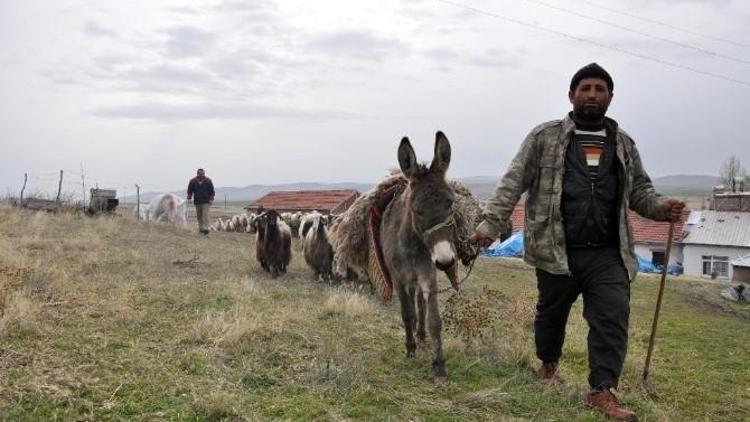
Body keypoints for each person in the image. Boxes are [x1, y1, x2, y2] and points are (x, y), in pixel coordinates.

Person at [473, 63, 684, 421]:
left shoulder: (623, 144)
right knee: (550, 315)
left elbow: (641, 193)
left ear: (610, 98)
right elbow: (512, 183)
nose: (592, 94)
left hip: (607, 252)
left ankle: (602, 391)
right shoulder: (545, 138)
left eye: (600, 89)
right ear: (571, 95)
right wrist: (489, 227)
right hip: (556, 249)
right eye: (585, 88)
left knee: (612, 317)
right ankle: (548, 366)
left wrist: (663, 208)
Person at [187, 168, 215, 235]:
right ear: (197, 174)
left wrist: (211, 199)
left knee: (205, 215)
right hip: (197, 201)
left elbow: (212, 191)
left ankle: (206, 229)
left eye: (202, 174)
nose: (201, 175)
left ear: (204, 173)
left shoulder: (208, 181)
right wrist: (189, 198)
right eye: (200, 174)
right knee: (199, 216)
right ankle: (201, 228)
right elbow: (189, 190)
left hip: (206, 201)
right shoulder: (193, 181)